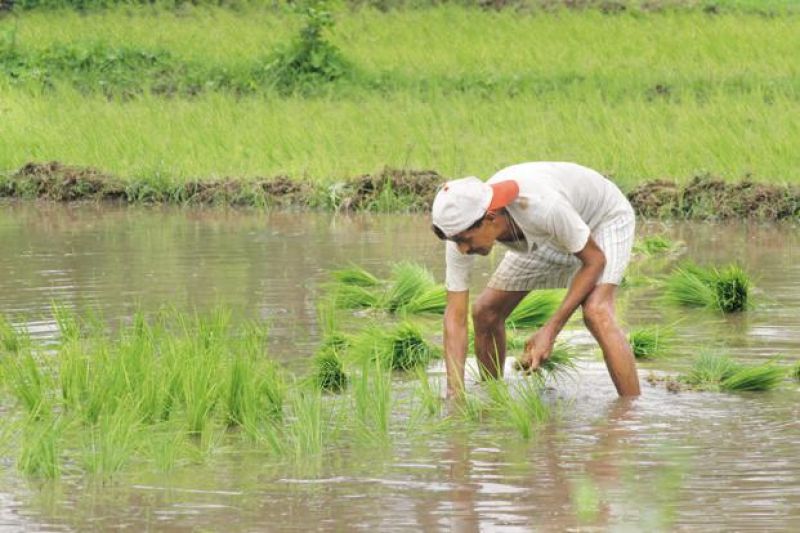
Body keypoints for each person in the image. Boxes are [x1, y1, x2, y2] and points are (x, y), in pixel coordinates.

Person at [431, 162, 641, 398]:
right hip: (547, 235)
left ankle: (630, 416)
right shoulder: (459, 231)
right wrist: (454, 394)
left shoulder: (542, 205)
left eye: (466, 240)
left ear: (490, 218)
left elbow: (594, 261)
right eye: (455, 241)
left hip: (602, 220)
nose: (461, 250)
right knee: (485, 312)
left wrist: (550, 331)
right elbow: (455, 317)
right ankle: (494, 399)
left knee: (596, 311)